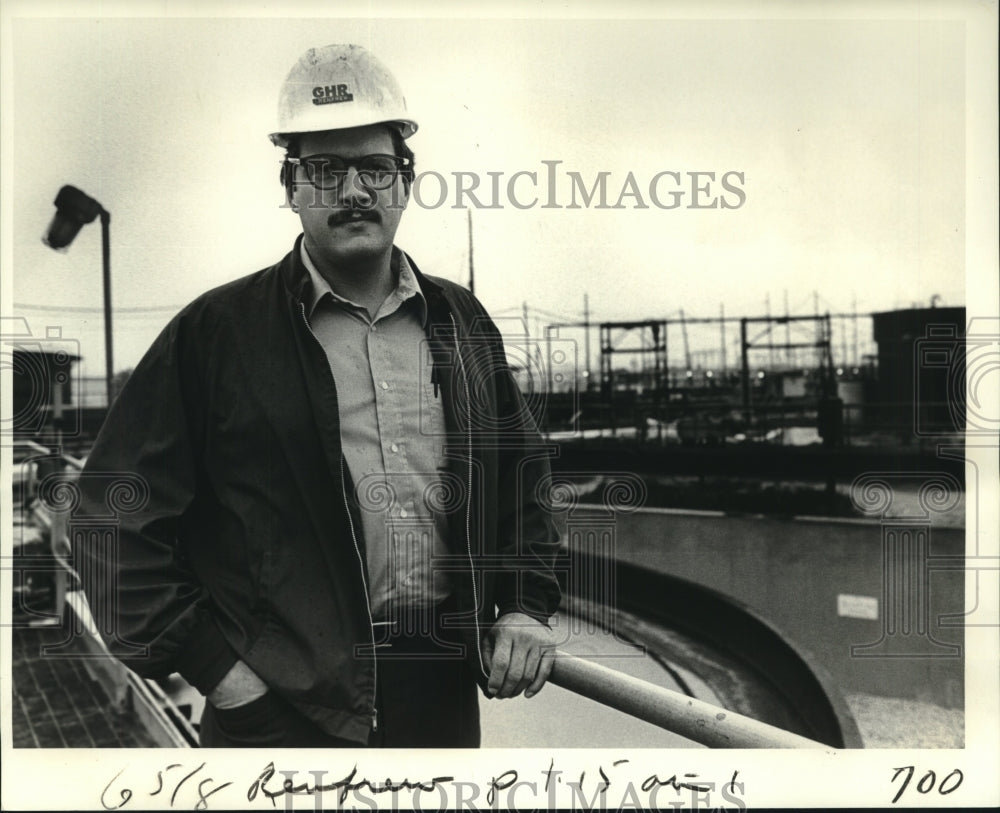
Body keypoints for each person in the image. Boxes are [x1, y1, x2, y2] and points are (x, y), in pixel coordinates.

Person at [75, 43, 562, 748]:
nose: (354, 191)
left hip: (440, 695)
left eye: (374, 167)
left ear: (406, 179)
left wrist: (523, 606)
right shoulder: (218, 334)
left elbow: (522, 479)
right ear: (291, 186)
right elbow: (110, 518)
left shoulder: (460, 323)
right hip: (276, 715)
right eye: (325, 170)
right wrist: (224, 675)